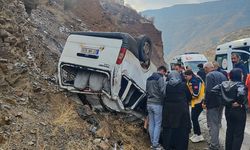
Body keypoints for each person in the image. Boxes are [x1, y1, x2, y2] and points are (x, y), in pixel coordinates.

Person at [212, 68, 247, 150]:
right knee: (238, 133)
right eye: (241, 74)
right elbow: (241, 93)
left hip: (228, 110)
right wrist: (239, 102)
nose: (242, 75)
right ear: (238, 75)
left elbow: (214, 90)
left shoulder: (224, 84)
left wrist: (225, 101)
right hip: (238, 110)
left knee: (230, 131)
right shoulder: (240, 84)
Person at [162, 71, 192, 150]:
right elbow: (189, 97)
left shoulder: (166, 85)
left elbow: (163, 96)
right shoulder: (183, 85)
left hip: (168, 111)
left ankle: (169, 146)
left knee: (169, 129)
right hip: (182, 110)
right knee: (182, 129)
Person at [203, 62, 227, 150]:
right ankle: (216, 142)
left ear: (207, 68)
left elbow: (209, 91)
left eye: (204, 69)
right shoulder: (222, 75)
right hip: (221, 102)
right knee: (217, 123)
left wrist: (205, 102)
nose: (204, 71)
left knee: (212, 124)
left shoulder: (209, 76)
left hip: (212, 103)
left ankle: (214, 145)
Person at [146, 66, 167, 150]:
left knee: (151, 123)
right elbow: (163, 91)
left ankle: (152, 143)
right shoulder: (160, 78)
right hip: (157, 104)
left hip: (149, 103)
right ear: (162, 71)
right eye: (164, 73)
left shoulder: (149, 78)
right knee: (158, 124)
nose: (164, 75)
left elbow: (146, 91)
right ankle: (155, 144)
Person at [184, 70, 205, 143]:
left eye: (186, 76)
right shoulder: (192, 80)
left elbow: (196, 94)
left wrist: (188, 97)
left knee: (194, 118)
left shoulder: (195, 80)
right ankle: (196, 133)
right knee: (193, 118)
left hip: (198, 102)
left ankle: (199, 135)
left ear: (190, 75)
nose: (185, 78)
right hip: (194, 102)